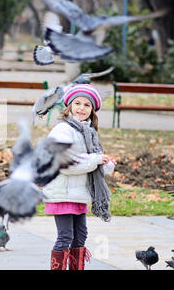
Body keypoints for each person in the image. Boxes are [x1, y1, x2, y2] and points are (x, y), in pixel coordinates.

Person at [42, 84, 116, 270]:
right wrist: (96, 159)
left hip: (78, 193)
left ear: (92, 111)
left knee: (80, 236)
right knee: (65, 237)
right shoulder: (63, 130)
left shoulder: (89, 133)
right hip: (63, 192)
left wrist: (106, 163)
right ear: (69, 106)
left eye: (87, 105)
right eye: (77, 103)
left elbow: (94, 165)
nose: (81, 108)